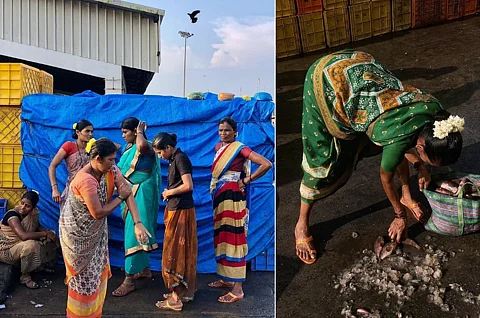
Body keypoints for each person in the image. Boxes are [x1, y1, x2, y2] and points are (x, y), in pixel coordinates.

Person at [295, 50, 464, 265]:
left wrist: (421, 168)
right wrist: (399, 216)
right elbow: (386, 177)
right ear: (421, 146)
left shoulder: (438, 117)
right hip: (329, 79)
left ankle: (406, 196)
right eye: (432, 162)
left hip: (360, 70)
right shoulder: (400, 135)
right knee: (322, 161)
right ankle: (301, 223)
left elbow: (405, 141)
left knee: (389, 142)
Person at [59, 138, 151, 318]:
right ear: (98, 158)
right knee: (82, 282)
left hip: (97, 232)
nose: (114, 163)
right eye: (110, 160)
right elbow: (98, 212)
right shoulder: (85, 179)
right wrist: (120, 198)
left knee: (95, 279)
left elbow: (127, 191)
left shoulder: (111, 170)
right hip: (77, 237)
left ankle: (94, 314)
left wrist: (138, 223)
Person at [208, 117, 272, 303]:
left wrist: (245, 181)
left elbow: (266, 164)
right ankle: (227, 279)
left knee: (234, 238)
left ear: (235, 132)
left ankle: (238, 289)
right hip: (220, 196)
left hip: (233, 197)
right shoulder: (218, 147)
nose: (223, 133)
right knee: (222, 237)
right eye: (220, 130)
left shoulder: (239, 148)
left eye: (227, 130)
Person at [112, 118, 161, 297]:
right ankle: (145, 269)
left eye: (126, 132)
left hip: (141, 192)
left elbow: (140, 148)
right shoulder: (127, 149)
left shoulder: (145, 146)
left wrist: (141, 131)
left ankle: (129, 280)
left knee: (135, 234)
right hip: (131, 193)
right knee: (136, 231)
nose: (123, 135)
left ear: (135, 131)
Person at [152, 133, 197, 312]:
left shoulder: (180, 159)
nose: (159, 156)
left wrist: (169, 193)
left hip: (180, 210)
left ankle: (176, 298)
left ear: (168, 148)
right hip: (178, 209)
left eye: (159, 152)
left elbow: (188, 185)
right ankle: (180, 291)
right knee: (179, 250)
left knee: (175, 252)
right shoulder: (175, 159)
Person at [0, 191, 59, 289]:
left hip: (19, 246)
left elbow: (36, 226)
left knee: (51, 239)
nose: (23, 207)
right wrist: (44, 233)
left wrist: (48, 233)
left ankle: (41, 266)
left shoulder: (33, 213)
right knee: (31, 245)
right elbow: (23, 236)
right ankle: (25, 277)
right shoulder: (12, 216)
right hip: (6, 250)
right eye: (22, 203)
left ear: (33, 207)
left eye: (27, 206)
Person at [49, 120, 94, 210]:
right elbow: (52, 166)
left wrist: (98, 143)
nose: (90, 134)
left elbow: (116, 147)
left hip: (91, 190)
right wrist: (54, 189)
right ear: (78, 132)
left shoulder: (94, 147)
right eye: (87, 131)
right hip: (73, 190)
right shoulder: (69, 146)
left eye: (92, 131)